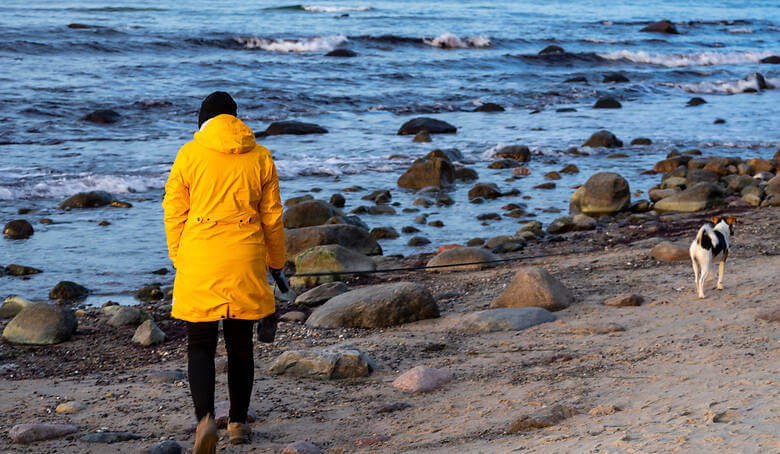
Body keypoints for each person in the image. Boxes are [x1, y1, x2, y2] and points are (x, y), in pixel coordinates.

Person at [162, 91, 285, 453]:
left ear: (203, 121)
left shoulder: (189, 154)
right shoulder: (260, 156)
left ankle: (204, 422)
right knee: (240, 345)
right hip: (245, 256)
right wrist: (277, 263)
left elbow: (174, 212)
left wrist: (179, 258)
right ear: (235, 119)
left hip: (200, 256)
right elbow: (272, 217)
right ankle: (237, 423)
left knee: (200, 345)